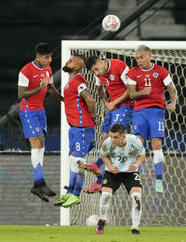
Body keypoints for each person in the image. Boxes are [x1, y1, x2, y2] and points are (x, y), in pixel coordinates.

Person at [127, 44, 177, 193]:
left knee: (157, 145)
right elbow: (131, 94)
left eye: (141, 57)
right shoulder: (133, 72)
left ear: (149, 55)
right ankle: (137, 179)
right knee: (138, 145)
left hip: (157, 111)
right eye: (137, 58)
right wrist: (142, 92)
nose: (139, 60)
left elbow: (172, 89)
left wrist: (173, 102)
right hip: (139, 112)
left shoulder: (161, 71)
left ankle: (159, 180)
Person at [17, 42, 63, 202]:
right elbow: (21, 95)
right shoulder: (26, 71)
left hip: (40, 111)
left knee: (42, 144)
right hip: (28, 111)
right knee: (36, 143)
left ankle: (38, 183)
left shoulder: (48, 69)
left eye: (51, 57)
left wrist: (63, 99)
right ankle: (39, 181)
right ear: (38, 56)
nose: (50, 60)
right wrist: (39, 88)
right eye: (46, 57)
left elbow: (50, 87)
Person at [83, 56, 132, 193]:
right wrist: (106, 104)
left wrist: (113, 103)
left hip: (125, 106)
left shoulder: (119, 66)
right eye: (94, 71)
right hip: (113, 107)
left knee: (112, 140)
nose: (96, 73)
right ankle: (97, 164)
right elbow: (99, 90)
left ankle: (100, 181)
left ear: (100, 62)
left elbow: (131, 90)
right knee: (104, 138)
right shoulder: (98, 73)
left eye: (96, 69)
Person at [54, 55, 97, 207]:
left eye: (71, 61)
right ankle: (70, 192)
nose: (67, 61)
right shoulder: (70, 82)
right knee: (72, 160)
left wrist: (93, 117)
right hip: (75, 128)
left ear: (79, 66)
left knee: (79, 161)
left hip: (82, 127)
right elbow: (67, 100)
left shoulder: (79, 81)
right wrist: (51, 88)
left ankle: (76, 194)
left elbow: (90, 100)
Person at [96, 124, 145, 235]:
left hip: (130, 172)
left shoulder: (134, 140)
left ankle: (135, 228)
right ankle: (102, 220)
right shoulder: (107, 143)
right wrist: (110, 167)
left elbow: (142, 155)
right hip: (113, 172)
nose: (112, 139)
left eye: (115, 137)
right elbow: (104, 156)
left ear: (123, 136)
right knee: (105, 196)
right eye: (111, 136)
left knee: (137, 197)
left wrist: (136, 164)